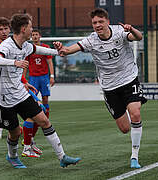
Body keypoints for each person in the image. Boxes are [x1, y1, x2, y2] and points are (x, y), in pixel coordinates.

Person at [57, 8, 146, 169]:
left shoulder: (120, 32)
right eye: (94, 23)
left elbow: (138, 37)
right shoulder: (91, 40)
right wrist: (62, 49)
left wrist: (131, 29)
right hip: (109, 87)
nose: (97, 25)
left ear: (107, 21)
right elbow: (70, 49)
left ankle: (134, 156)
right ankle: (126, 110)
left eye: (100, 22)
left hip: (129, 79)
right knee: (125, 129)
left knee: (136, 112)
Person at [0, 13, 81, 168]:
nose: (32, 30)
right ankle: (12, 157)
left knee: (44, 120)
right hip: (3, 98)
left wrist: (59, 51)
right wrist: (15, 62)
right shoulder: (6, 45)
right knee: (15, 133)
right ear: (24, 29)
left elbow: (41, 51)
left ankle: (62, 157)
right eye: (31, 27)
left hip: (19, 93)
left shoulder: (26, 45)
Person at [21, 29, 55, 158]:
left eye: (36, 35)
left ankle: (45, 119)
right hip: (33, 78)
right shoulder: (29, 49)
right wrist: (23, 79)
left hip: (44, 77)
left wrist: (51, 76)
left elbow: (49, 61)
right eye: (33, 35)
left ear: (40, 36)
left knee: (45, 99)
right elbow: (25, 65)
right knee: (34, 101)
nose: (35, 36)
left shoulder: (45, 48)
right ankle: (37, 119)